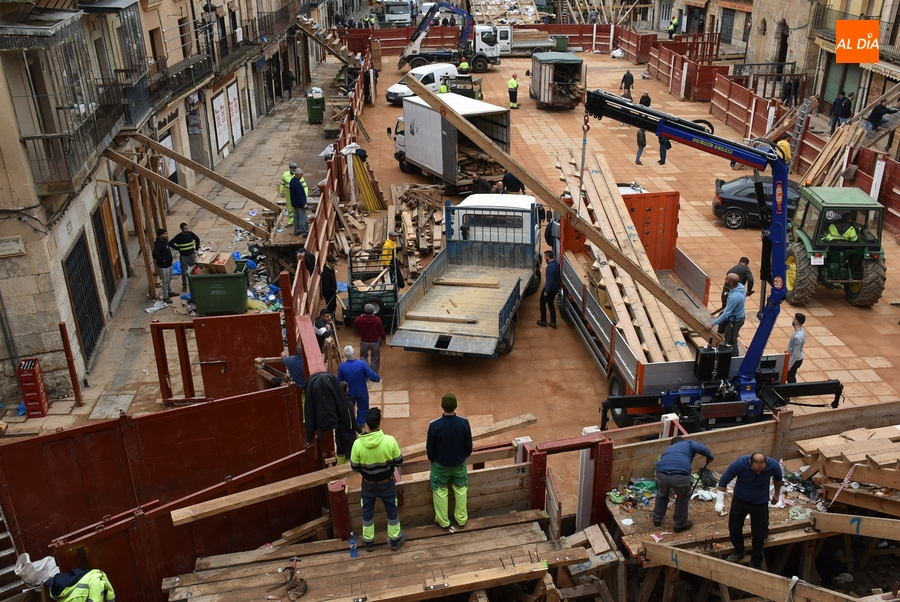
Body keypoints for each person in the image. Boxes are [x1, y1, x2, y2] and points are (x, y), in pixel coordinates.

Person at [351, 407, 406, 552]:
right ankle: (394, 539)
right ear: (379, 423)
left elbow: (355, 467)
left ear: (367, 424)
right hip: (387, 483)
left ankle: (368, 541)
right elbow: (399, 461)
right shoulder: (389, 441)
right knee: (391, 510)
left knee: (367, 512)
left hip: (368, 485)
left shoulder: (358, 444)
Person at [716, 453, 783, 570]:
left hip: (760, 503)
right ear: (750, 463)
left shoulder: (774, 465)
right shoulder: (739, 464)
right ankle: (739, 551)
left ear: (766, 463)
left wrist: (776, 494)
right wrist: (719, 502)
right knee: (735, 527)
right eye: (755, 471)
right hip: (740, 500)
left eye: (761, 472)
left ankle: (756, 559)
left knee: (760, 532)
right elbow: (723, 480)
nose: (758, 473)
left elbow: (778, 479)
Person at [427, 393, 473, 530]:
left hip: (440, 466)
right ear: (456, 406)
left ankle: (443, 522)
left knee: (440, 492)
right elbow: (468, 447)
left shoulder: (434, 425)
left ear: (442, 406)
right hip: (459, 464)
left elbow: (430, 449)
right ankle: (461, 519)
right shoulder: (464, 423)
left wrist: (434, 460)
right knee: (460, 491)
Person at [652, 436, 714, 532]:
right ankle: (679, 525)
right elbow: (702, 448)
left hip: (661, 475)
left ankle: (657, 518)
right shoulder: (688, 443)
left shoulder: (668, 449)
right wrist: (710, 457)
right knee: (682, 498)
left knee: (662, 494)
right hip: (679, 477)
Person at [338, 345, 381, 427]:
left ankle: (350, 422)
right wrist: (377, 378)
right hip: (362, 390)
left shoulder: (342, 367)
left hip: (349, 392)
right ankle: (360, 424)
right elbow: (370, 374)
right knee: (363, 407)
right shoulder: (361, 364)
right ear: (354, 353)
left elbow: (339, 382)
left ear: (345, 355)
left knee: (349, 408)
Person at [707, 273, 746, 353]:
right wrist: (726, 309)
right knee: (729, 335)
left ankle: (734, 359)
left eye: (727, 279)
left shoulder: (735, 297)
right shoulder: (740, 287)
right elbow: (731, 307)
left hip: (735, 320)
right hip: (737, 316)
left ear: (731, 283)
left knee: (731, 340)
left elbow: (726, 315)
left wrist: (712, 324)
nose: (725, 280)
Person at [354, 303, 387, 374]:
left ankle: (365, 372)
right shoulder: (377, 319)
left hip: (364, 342)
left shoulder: (361, 319)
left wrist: (360, 316)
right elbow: (381, 331)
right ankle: (373, 373)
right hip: (375, 342)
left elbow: (355, 324)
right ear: (373, 311)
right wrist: (384, 338)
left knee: (363, 357)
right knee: (375, 358)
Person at [168, 222, 201, 291]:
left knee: (195, 269)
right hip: (183, 257)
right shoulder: (178, 237)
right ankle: (184, 285)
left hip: (191, 255)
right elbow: (170, 243)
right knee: (184, 272)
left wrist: (196, 249)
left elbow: (197, 239)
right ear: (182, 229)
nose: (187, 229)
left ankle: (196, 283)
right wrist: (178, 249)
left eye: (187, 228)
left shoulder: (190, 234)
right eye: (185, 228)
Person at [336, 381, 362, 464]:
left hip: (338, 432)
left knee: (340, 453)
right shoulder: (349, 405)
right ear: (346, 390)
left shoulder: (335, 404)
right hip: (348, 434)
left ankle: (339, 471)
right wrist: (361, 432)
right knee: (349, 456)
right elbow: (353, 422)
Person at [537, 250, 559, 328]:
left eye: (545, 257)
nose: (544, 258)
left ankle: (543, 321)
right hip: (555, 289)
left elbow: (550, 281)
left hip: (549, 289)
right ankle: (553, 322)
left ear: (548, 257)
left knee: (542, 303)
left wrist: (546, 291)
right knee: (551, 304)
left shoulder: (549, 268)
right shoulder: (556, 264)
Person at [152, 228, 175, 303]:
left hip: (169, 264)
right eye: (164, 234)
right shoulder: (158, 244)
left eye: (166, 234)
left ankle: (170, 291)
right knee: (165, 281)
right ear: (160, 236)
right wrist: (162, 259)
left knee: (169, 279)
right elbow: (154, 254)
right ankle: (165, 296)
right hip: (164, 266)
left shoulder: (165, 242)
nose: (166, 235)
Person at [786, 312, 806, 383]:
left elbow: (796, 353)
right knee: (790, 376)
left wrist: (789, 365)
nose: (792, 319)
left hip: (794, 360)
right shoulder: (802, 330)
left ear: (796, 321)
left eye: (794, 318)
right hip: (796, 359)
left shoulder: (797, 337)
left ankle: (793, 391)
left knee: (790, 378)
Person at [321, 254, 340, 323]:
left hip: (332, 291)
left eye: (334, 263)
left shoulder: (330, 268)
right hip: (328, 293)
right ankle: (330, 322)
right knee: (330, 308)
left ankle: (334, 320)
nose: (334, 265)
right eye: (332, 263)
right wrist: (334, 290)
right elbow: (326, 287)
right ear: (328, 262)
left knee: (334, 306)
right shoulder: (326, 273)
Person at [290, 168, 308, 237]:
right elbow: (299, 195)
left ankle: (297, 230)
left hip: (294, 204)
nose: (302, 176)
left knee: (296, 218)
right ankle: (305, 233)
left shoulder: (292, 181)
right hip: (300, 205)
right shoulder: (297, 184)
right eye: (301, 175)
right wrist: (303, 204)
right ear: (297, 175)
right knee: (304, 219)